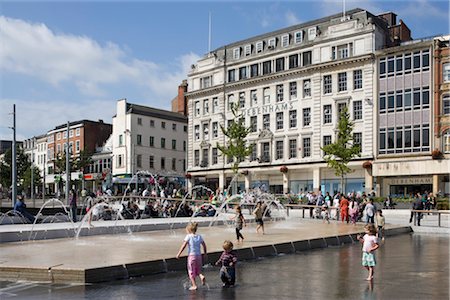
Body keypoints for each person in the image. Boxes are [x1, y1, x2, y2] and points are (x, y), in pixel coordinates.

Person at [176, 222, 207, 291]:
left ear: (189, 230)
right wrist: (205, 253)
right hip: (198, 256)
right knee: (198, 270)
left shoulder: (188, 236)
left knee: (191, 271)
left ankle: (194, 285)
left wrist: (179, 254)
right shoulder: (199, 236)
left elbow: (183, 246)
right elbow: (204, 245)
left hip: (191, 256)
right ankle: (201, 276)